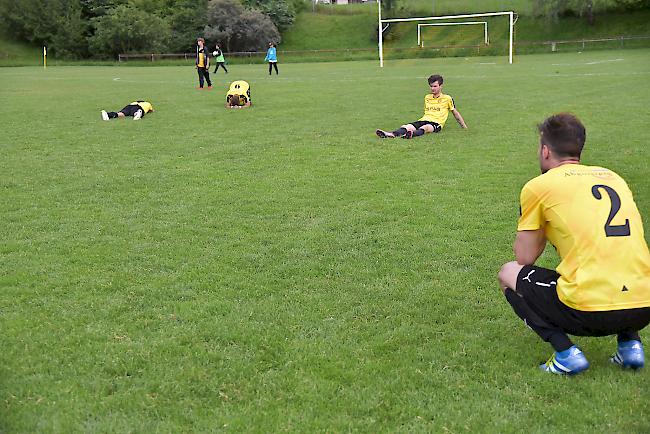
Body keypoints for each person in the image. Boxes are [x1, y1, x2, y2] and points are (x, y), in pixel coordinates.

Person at [498, 113, 650, 375]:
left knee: (507, 273)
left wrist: (542, 224)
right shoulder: (614, 178)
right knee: (618, 258)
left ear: (545, 150)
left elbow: (524, 258)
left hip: (589, 312)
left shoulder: (539, 186)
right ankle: (630, 345)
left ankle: (566, 354)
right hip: (644, 306)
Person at [375, 74, 467, 139]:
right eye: (431, 86)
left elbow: (455, 113)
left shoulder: (447, 98)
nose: (432, 89)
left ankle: (410, 135)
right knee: (407, 126)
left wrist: (464, 127)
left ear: (441, 86)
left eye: (435, 86)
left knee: (426, 128)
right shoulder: (427, 97)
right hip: (423, 119)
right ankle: (390, 134)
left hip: (436, 123)